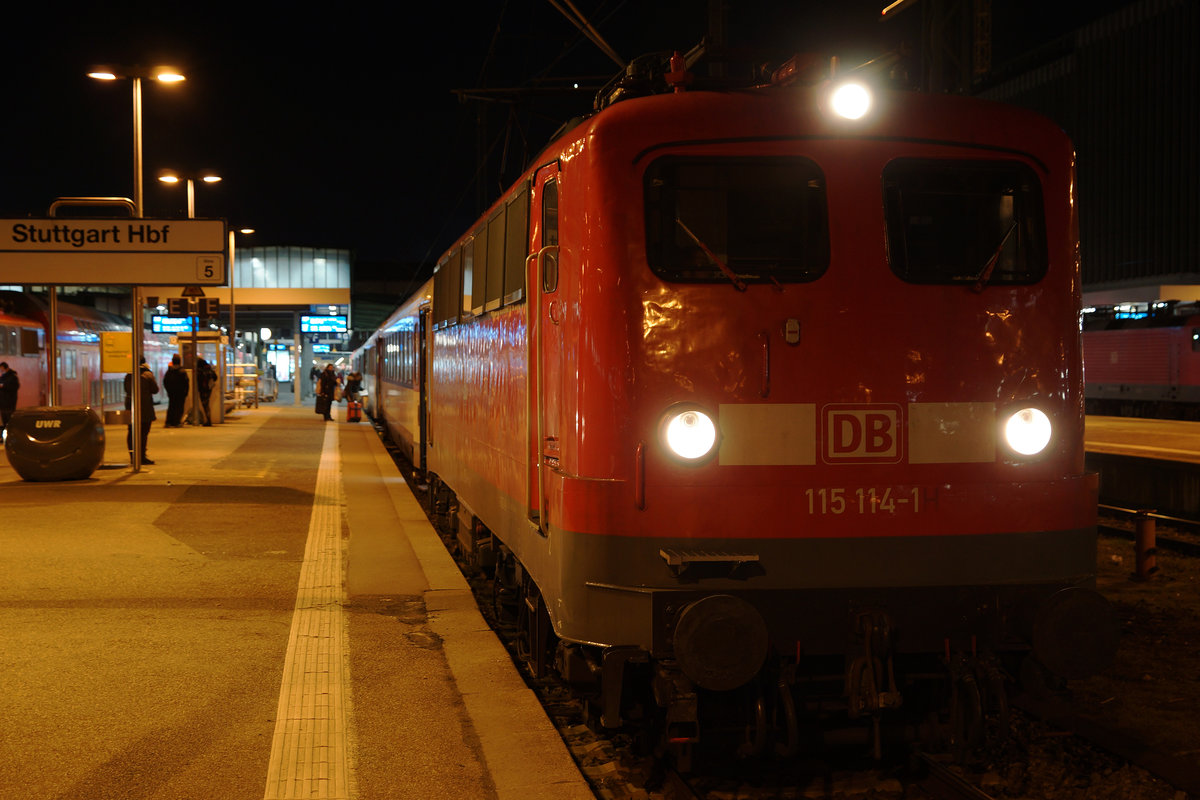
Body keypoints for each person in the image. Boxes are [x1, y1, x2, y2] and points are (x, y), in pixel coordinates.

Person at [125, 359, 159, 465]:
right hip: (145, 408)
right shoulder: (148, 374)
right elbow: (155, 390)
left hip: (131, 407)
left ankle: (133, 456)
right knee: (143, 433)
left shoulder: (128, 375)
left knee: (131, 432)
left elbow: (126, 389)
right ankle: (142, 456)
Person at [162, 354, 189, 428]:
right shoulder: (182, 371)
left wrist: (168, 390)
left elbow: (165, 381)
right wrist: (186, 392)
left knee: (171, 407)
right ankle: (176, 422)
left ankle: (169, 422)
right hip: (181, 393)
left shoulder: (169, 371)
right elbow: (186, 383)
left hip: (172, 393)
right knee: (179, 408)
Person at [195, 357, 217, 426]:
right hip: (209, 389)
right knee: (206, 404)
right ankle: (208, 420)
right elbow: (215, 377)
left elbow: (198, 380)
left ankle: (208, 420)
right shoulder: (209, 369)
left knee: (205, 405)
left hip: (203, 389)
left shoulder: (200, 370)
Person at [0, 361, 19, 435]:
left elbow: (15, 387)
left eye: (2, 369)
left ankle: (11, 434)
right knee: (4, 419)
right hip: (3, 402)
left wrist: (3, 386)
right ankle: (6, 434)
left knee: (9, 419)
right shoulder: (3, 377)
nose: (1, 371)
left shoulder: (13, 377)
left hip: (9, 402)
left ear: (6, 368)